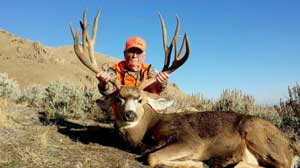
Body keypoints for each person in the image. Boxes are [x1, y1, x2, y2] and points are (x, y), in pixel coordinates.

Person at [96, 36, 169, 96]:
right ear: (124, 54)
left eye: (139, 52)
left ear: (144, 56)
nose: (134, 56)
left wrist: (161, 83)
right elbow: (108, 92)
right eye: (131, 51)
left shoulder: (150, 71)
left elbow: (158, 89)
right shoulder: (115, 70)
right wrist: (103, 84)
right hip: (121, 111)